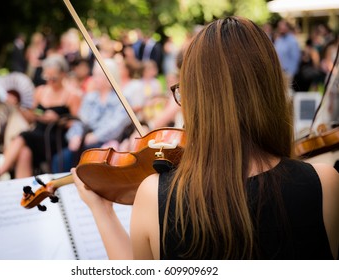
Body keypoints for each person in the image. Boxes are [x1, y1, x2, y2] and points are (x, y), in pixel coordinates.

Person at [70, 16, 339, 260]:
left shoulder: (154, 195)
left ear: (197, 98)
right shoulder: (324, 183)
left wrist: (101, 210)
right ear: (270, 89)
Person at [0, 54, 81, 178]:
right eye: (47, 77)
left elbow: (76, 124)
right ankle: (26, 193)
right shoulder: (40, 91)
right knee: (24, 152)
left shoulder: (72, 95)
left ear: (63, 74)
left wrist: (57, 120)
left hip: (54, 139)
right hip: (36, 135)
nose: (50, 81)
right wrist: (18, 105)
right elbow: (30, 120)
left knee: (23, 136)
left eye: (54, 78)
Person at [51, 58, 131, 173]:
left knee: (88, 162)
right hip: (84, 142)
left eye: (98, 75)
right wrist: (75, 136)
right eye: (94, 75)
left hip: (105, 146)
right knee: (60, 160)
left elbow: (115, 127)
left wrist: (93, 137)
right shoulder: (90, 97)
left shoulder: (122, 100)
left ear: (109, 77)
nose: (94, 79)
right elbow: (80, 121)